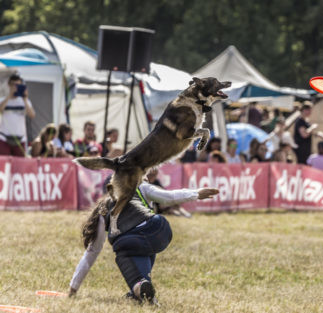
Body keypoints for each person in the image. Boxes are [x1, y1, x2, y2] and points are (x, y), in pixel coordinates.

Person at [69, 175, 219, 303]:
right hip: (160, 230)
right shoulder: (141, 188)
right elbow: (170, 197)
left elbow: (92, 252)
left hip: (130, 241)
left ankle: (138, 287)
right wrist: (197, 193)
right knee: (143, 248)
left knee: (123, 250)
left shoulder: (103, 208)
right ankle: (143, 291)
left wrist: (73, 288)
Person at [0, 74, 36, 156]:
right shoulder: (3, 100)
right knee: (4, 164)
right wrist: (9, 96)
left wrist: (25, 98)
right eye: (13, 84)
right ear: (9, 85)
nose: (15, 87)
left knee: (19, 165)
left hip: (20, 139)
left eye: (18, 85)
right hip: (4, 138)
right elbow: (0, 110)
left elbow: (32, 115)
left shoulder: (24, 101)